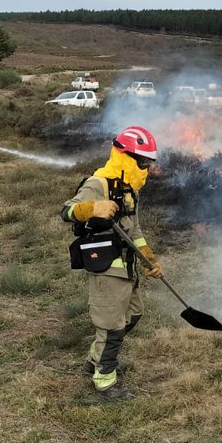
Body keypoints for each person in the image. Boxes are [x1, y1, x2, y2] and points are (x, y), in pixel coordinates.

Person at [61, 125, 163, 402]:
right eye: (142, 161)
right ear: (125, 155)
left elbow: (135, 228)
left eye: (148, 162)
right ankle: (105, 383)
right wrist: (92, 208)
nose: (145, 167)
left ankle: (97, 359)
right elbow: (67, 211)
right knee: (112, 324)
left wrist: (148, 259)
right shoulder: (99, 183)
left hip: (127, 264)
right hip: (105, 262)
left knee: (134, 314)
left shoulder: (130, 189)